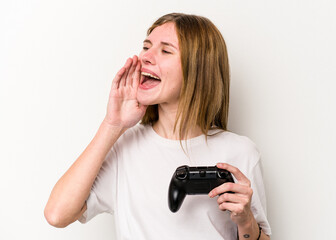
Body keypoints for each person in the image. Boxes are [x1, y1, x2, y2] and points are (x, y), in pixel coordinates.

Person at [44, 13, 271, 240]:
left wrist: (246, 221)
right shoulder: (125, 147)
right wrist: (112, 124)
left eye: (165, 50)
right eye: (146, 46)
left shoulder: (241, 152)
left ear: (198, 68)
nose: (145, 57)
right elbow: (57, 214)